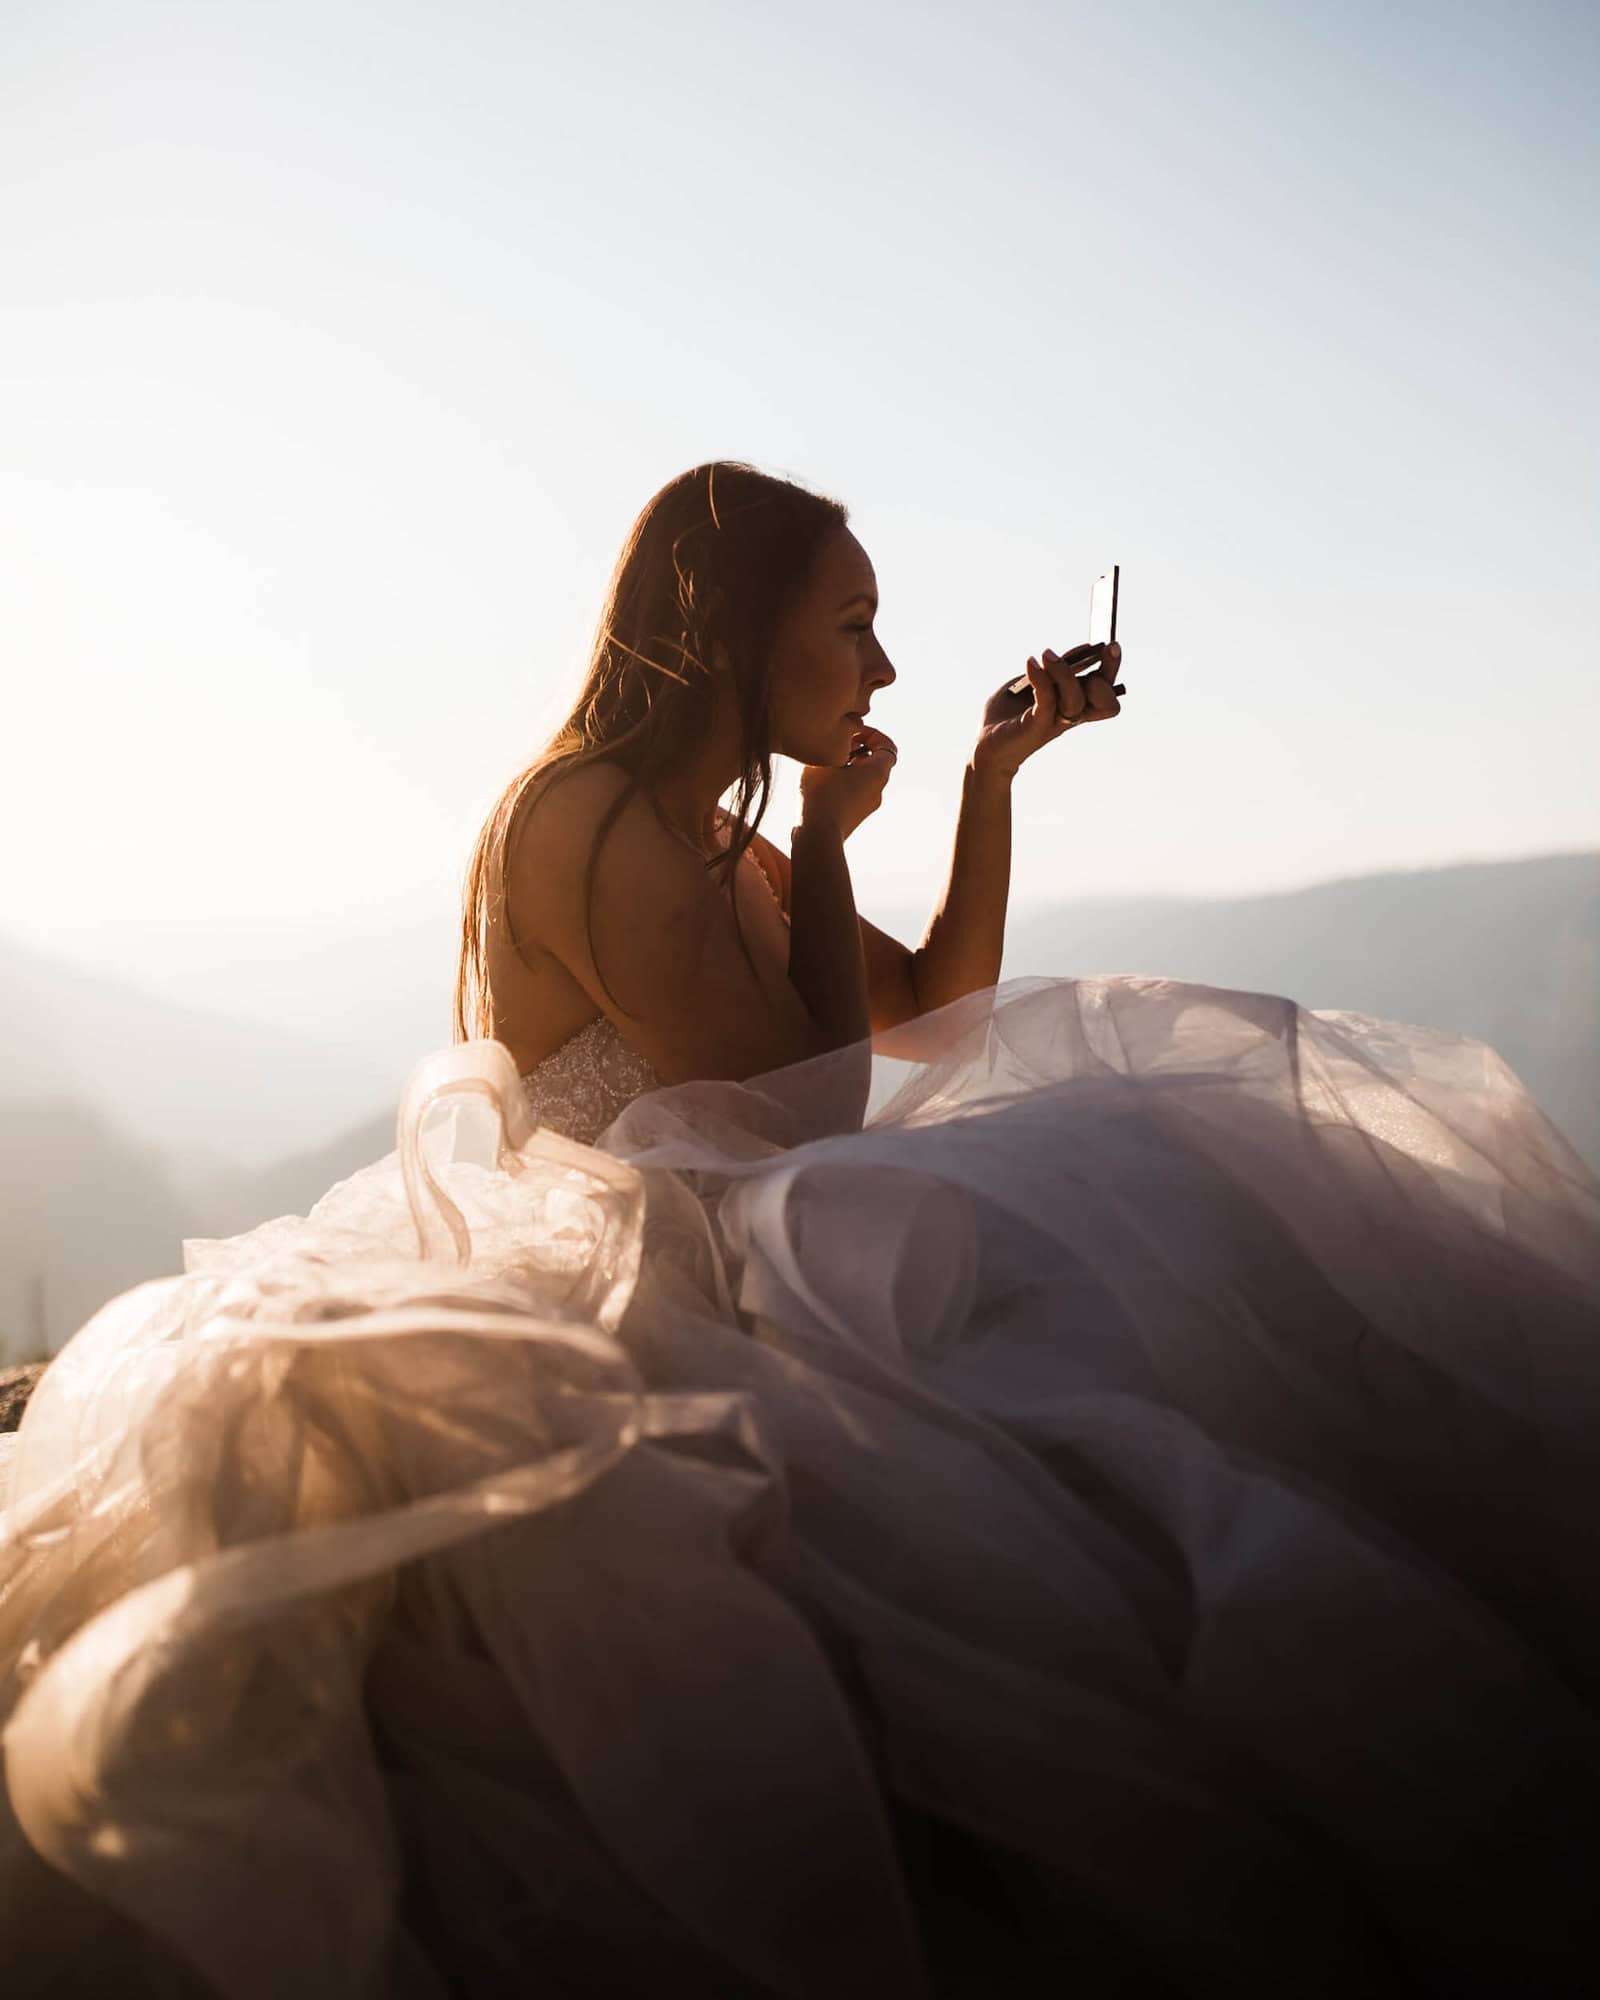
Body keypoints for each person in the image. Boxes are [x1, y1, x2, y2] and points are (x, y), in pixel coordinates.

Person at [1, 462, 1597, 2000]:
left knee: (1122, 1178)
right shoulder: (584, 812)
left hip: (743, 1225)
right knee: (1082, 1202)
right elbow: (793, 1107)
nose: (882, 664)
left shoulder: (719, 837)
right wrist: (830, 846)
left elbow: (938, 1013)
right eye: (849, 625)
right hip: (642, 1267)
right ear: (728, 629)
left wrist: (987, 778)